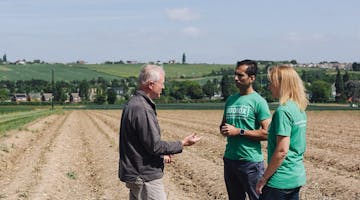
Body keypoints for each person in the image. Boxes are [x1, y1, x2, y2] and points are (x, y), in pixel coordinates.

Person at [119, 64, 201, 200]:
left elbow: (140, 144)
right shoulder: (142, 108)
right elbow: (154, 146)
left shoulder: (133, 103)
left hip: (137, 174)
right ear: (151, 84)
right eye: (161, 83)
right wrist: (182, 143)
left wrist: (161, 157)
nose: (163, 87)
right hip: (144, 177)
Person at [220, 59, 272, 200]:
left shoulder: (258, 102)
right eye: (235, 75)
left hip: (250, 163)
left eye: (240, 75)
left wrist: (239, 131)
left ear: (252, 78)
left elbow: (268, 133)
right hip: (230, 160)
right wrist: (224, 130)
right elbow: (223, 126)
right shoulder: (231, 100)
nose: (236, 78)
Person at [256, 65, 309, 200]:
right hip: (296, 176)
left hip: (280, 180)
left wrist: (264, 178)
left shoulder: (283, 111)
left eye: (271, 83)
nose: (269, 87)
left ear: (281, 84)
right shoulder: (299, 108)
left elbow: (282, 151)